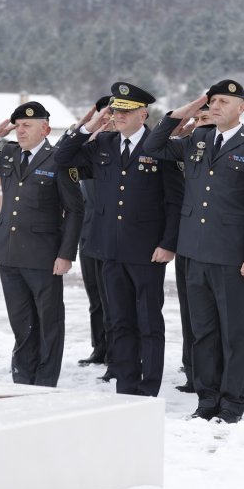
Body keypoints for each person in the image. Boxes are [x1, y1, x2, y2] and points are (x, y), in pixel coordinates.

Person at [143, 79, 244, 423]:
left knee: (232, 333)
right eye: (211, 101)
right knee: (201, 331)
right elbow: (155, 145)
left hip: (232, 256)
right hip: (193, 251)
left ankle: (231, 403)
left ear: (241, 108)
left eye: (222, 102)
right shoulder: (198, 138)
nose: (214, 107)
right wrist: (182, 113)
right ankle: (206, 398)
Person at [56, 82, 184, 397]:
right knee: (119, 320)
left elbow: (174, 201)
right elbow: (62, 158)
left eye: (126, 110)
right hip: (109, 249)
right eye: (115, 110)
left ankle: (149, 384)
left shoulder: (159, 146)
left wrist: (168, 243)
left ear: (144, 113)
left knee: (149, 323)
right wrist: (89, 127)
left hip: (146, 251)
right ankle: (126, 383)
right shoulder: (103, 144)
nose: (118, 115)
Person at [0, 101, 83, 386]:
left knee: (48, 322)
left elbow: (75, 210)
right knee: (21, 322)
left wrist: (66, 254)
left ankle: (45, 381)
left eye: (27, 125)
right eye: (17, 126)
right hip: (9, 252)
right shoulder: (8, 154)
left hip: (43, 255)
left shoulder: (58, 159)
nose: (20, 131)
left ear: (45, 128)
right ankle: (23, 377)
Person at [175, 104, 216, 393]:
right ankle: (191, 369)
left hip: (215, 243)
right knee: (189, 313)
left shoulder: (215, 153)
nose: (201, 125)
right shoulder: (186, 148)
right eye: (197, 120)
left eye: (206, 120)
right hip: (185, 240)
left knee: (211, 320)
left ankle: (209, 375)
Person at [74, 96, 113, 375]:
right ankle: (99, 346)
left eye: (111, 116)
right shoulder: (86, 151)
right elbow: (60, 152)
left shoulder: (125, 150)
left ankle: (118, 351)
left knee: (116, 300)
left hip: (115, 239)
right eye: (102, 116)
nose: (107, 121)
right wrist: (81, 127)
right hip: (88, 237)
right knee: (96, 299)